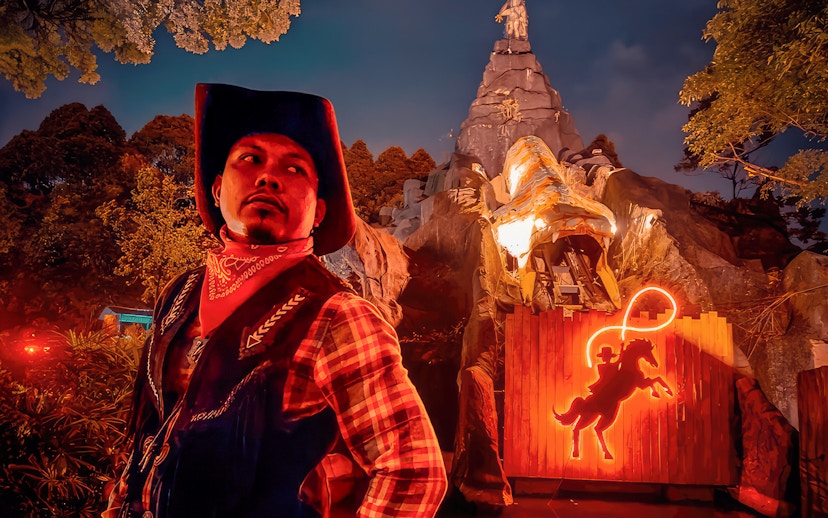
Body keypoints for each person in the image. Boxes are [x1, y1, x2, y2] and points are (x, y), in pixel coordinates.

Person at [105, 84, 447, 517]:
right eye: (250, 159)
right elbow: (146, 435)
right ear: (216, 187)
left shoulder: (338, 316)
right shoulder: (180, 292)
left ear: (318, 211)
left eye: (295, 169)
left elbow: (413, 471)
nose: (268, 177)